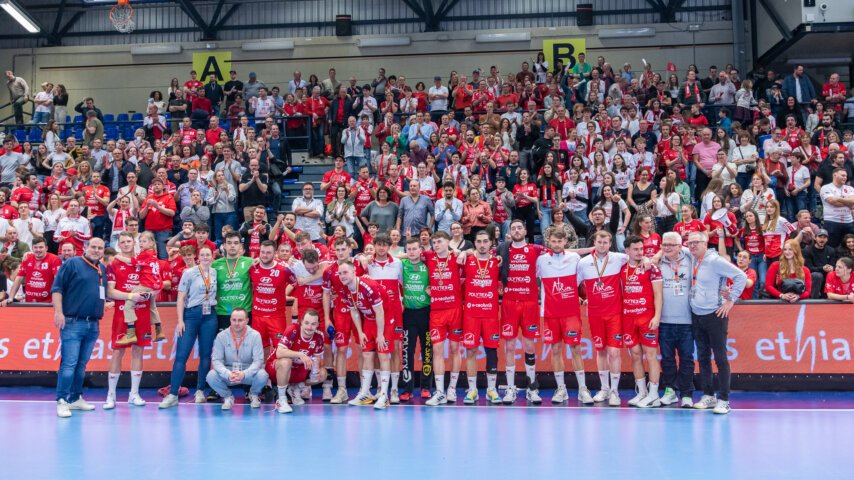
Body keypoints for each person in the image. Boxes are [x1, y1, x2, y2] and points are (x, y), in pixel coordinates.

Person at [686, 231, 746, 415]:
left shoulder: (715, 261)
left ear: (705, 244)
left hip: (715, 314)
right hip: (697, 314)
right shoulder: (692, 258)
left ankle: (724, 399)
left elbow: (741, 276)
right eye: (689, 243)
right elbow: (671, 247)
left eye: (696, 242)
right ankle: (708, 395)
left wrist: (731, 300)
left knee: (720, 357)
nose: (692, 245)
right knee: (703, 356)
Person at [51, 237, 108, 418]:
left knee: (81, 365)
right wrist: (58, 312)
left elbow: (103, 292)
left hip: (93, 323)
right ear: (85, 247)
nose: (96, 250)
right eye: (93, 247)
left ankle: (75, 398)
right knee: (69, 364)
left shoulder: (101, 268)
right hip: (72, 322)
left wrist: (129, 297)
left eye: (100, 248)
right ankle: (62, 400)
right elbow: (57, 289)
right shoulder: (72, 264)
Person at [535, 228, 591, 403]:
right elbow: (528, 277)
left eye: (560, 241)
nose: (557, 244)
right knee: (556, 350)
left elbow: (586, 276)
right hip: (550, 313)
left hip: (571, 312)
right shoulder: (541, 260)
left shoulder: (574, 258)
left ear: (565, 242)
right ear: (548, 242)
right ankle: (561, 389)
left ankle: (583, 389)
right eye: (553, 241)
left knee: (575, 349)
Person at [577, 230, 631, 406]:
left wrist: (646, 259)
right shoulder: (584, 262)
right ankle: (605, 389)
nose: (602, 245)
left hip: (615, 313)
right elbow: (573, 283)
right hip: (594, 314)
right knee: (600, 351)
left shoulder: (619, 258)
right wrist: (578, 297)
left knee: (614, 352)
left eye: (605, 242)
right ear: (594, 242)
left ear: (610, 243)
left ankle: (614, 391)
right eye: (599, 242)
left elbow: (638, 257)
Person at [159, 245, 218, 408]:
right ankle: (173, 394)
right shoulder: (189, 273)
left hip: (210, 315)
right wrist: (180, 320)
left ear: (212, 257)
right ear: (198, 257)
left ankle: (200, 391)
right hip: (191, 315)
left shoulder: (214, 272)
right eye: (203, 255)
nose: (205, 257)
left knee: (206, 355)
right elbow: (181, 297)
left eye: (208, 255)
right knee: (181, 355)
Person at [449, 231, 501, 406]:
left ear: (491, 243)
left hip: (490, 314)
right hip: (471, 314)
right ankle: (472, 390)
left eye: (485, 241)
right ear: (475, 244)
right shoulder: (467, 260)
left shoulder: (497, 262)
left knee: (491, 352)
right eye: (479, 241)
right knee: (470, 351)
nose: (482, 244)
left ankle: (492, 390)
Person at [103, 232, 152, 409]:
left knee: (138, 351)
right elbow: (110, 292)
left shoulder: (144, 261)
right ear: (118, 245)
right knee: (117, 352)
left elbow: (155, 286)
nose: (125, 244)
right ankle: (111, 396)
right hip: (122, 313)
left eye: (128, 241)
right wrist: (131, 296)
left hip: (142, 313)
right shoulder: (113, 265)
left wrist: (148, 294)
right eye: (122, 242)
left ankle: (134, 394)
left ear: (134, 242)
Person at [496, 219, 543, 404]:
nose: (516, 230)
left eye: (519, 228)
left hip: (529, 303)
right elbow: (480, 253)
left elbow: (560, 251)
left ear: (525, 231)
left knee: (529, 347)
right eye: (513, 228)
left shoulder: (535, 249)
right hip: (509, 303)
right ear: (509, 232)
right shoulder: (502, 250)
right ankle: (510, 388)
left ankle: (532, 388)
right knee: (509, 347)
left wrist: (592, 249)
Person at [336, 260, 393, 409]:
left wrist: (380, 334)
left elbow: (380, 311)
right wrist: (360, 332)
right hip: (368, 320)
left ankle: (384, 395)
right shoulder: (345, 289)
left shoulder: (368, 286)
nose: (342, 276)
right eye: (340, 273)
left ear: (354, 272)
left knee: (383, 355)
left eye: (345, 272)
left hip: (384, 320)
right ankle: (365, 393)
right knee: (367, 354)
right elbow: (354, 310)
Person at [620, 236, 663, 407]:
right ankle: (642, 392)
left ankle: (654, 395)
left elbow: (658, 294)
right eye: (635, 249)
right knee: (636, 355)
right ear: (627, 251)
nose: (639, 252)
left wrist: (657, 316)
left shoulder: (651, 267)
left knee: (651, 355)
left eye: (641, 249)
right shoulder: (622, 268)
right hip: (628, 317)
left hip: (647, 317)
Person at [421, 231, 464, 403]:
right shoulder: (429, 256)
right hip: (437, 310)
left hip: (454, 309)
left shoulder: (457, 257)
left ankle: (452, 389)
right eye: (434, 242)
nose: (436, 245)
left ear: (448, 242)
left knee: (455, 349)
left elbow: (475, 253)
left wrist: (464, 251)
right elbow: (409, 253)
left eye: (439, 241)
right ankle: (439, 392)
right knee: (437, 350)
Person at [656, 232, 695, 407]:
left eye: (671, 245)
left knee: (687, 359)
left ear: (680, 246)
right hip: (665, 321)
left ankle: (686, 394)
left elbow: (696, 249)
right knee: (667, 359)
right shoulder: (657, 262)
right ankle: (670, 390)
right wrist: (657, 254)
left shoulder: (690, 259)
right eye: (664, 245)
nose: (667, 248)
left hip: (687, 321)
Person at [266, 309, 327, 414]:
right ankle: (281, 399)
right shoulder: (293, 330)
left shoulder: (319, 337)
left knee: (322, 373)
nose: (309, 327)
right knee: (286, 362)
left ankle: (296, 388)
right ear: (301, 322)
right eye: (306, 323)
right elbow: (279, 353)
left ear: (318, 325)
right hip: (276, 368)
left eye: (313, 324)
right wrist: (300, 354)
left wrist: (315, 370)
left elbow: (317, 358)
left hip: (297, 370)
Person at [207, 308, 268, 410]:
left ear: (247, 321)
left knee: (263, 375)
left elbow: (258, 361)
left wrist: (244, 374)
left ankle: (253, 394)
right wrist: (227, 374)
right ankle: (227, 396)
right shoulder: (221, 336)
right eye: (234, 320)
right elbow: (217, 360)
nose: (236, 323)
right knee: (211, 376)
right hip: (229, 371)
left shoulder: (255, 335)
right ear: (230, 320)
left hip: (247, 371)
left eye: (240, 320)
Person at [111, 231, 165, 345]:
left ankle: (130, 334)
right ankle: (159, 330)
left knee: (128, 305)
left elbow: (131, 261)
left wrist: (117, 256)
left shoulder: (145, 254)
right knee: (152, 306)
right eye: (140, 241)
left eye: (144, 241)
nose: (141, 244)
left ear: (152, 243)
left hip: (147, 284)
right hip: (156, 284)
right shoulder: (154, 254)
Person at [399, 237, 433, 401]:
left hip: (426, 313)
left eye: (414, 249)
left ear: (421, 250)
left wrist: (433, 289)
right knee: (407, 352)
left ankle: (426, 387)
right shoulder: (401, 265)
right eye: (409, 249)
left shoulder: (428, 265)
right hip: (408, 314)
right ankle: (408, 389)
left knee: (427, 351)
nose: (412, 252)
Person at [211, 232, 254, 332]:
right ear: (224, 245)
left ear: (240, 246)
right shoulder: (215, 265)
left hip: (244, 312)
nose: (232, 246)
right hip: (222, 312)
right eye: (229, 243)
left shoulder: (250, 262)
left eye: (235, 243)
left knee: (244, 342)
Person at [1, 236, 61, 305]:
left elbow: (58, 281)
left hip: (48, 302)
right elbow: (18, 279)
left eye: (41, 247)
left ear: (46, 248)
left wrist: (57, 300)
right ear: (32, 248)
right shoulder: (27, 258)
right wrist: (10, 298)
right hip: (29, 302)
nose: (38, 250)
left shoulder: (54, 259)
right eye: (35, 247)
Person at [819, 168, 854, 248]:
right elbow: (832, 202)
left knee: (850, 247)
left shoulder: (850, 188)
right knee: (832, 246)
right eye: (843, 175)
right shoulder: (826, 188)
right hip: (832, 221)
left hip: (848, 221)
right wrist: (848, 202)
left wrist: (838, 199)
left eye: (846, 176)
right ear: (835, 175)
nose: (845, 178)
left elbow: (852, 202)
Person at [803, 229, 837, 299]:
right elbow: (808, 268)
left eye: (824, 237)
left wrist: (831, 268)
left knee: (833, 274)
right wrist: (823, 268)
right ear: (815, 238)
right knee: (818, 275)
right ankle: (813, 299)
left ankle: (830, 297)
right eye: (820, 237)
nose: (822, 239)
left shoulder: (831, 250)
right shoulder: (807, 251)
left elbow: (833, 265)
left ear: (827, 239)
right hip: (813, 276)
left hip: (827, 274)